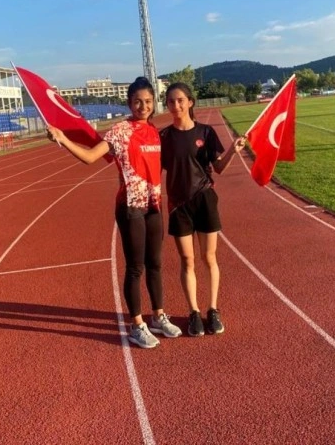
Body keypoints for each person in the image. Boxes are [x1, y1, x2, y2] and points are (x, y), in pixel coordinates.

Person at [47, 77, 181, 349]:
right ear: (129, 103)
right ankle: (137, 325)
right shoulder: (120, 131)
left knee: (155, 263)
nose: (143, 106)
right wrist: (62, 139)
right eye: (137, 102)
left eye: (147, 101)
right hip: (130, 206)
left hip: (153, 205)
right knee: (135, 267)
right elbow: (90, 157)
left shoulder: (155, 131)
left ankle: (158, 316)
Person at [159, 82, 245, 337]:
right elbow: (153, 167)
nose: (175, 106)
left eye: (180, 100)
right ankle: (194, 312)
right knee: (187, 260)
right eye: (171, 101)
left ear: (190, 102)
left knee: (209, 258)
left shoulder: (206, 133)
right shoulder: (164, 137)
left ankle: (213, 309)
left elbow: (218, 168)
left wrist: (233, 150)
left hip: (204, 199)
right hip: (178, 205)